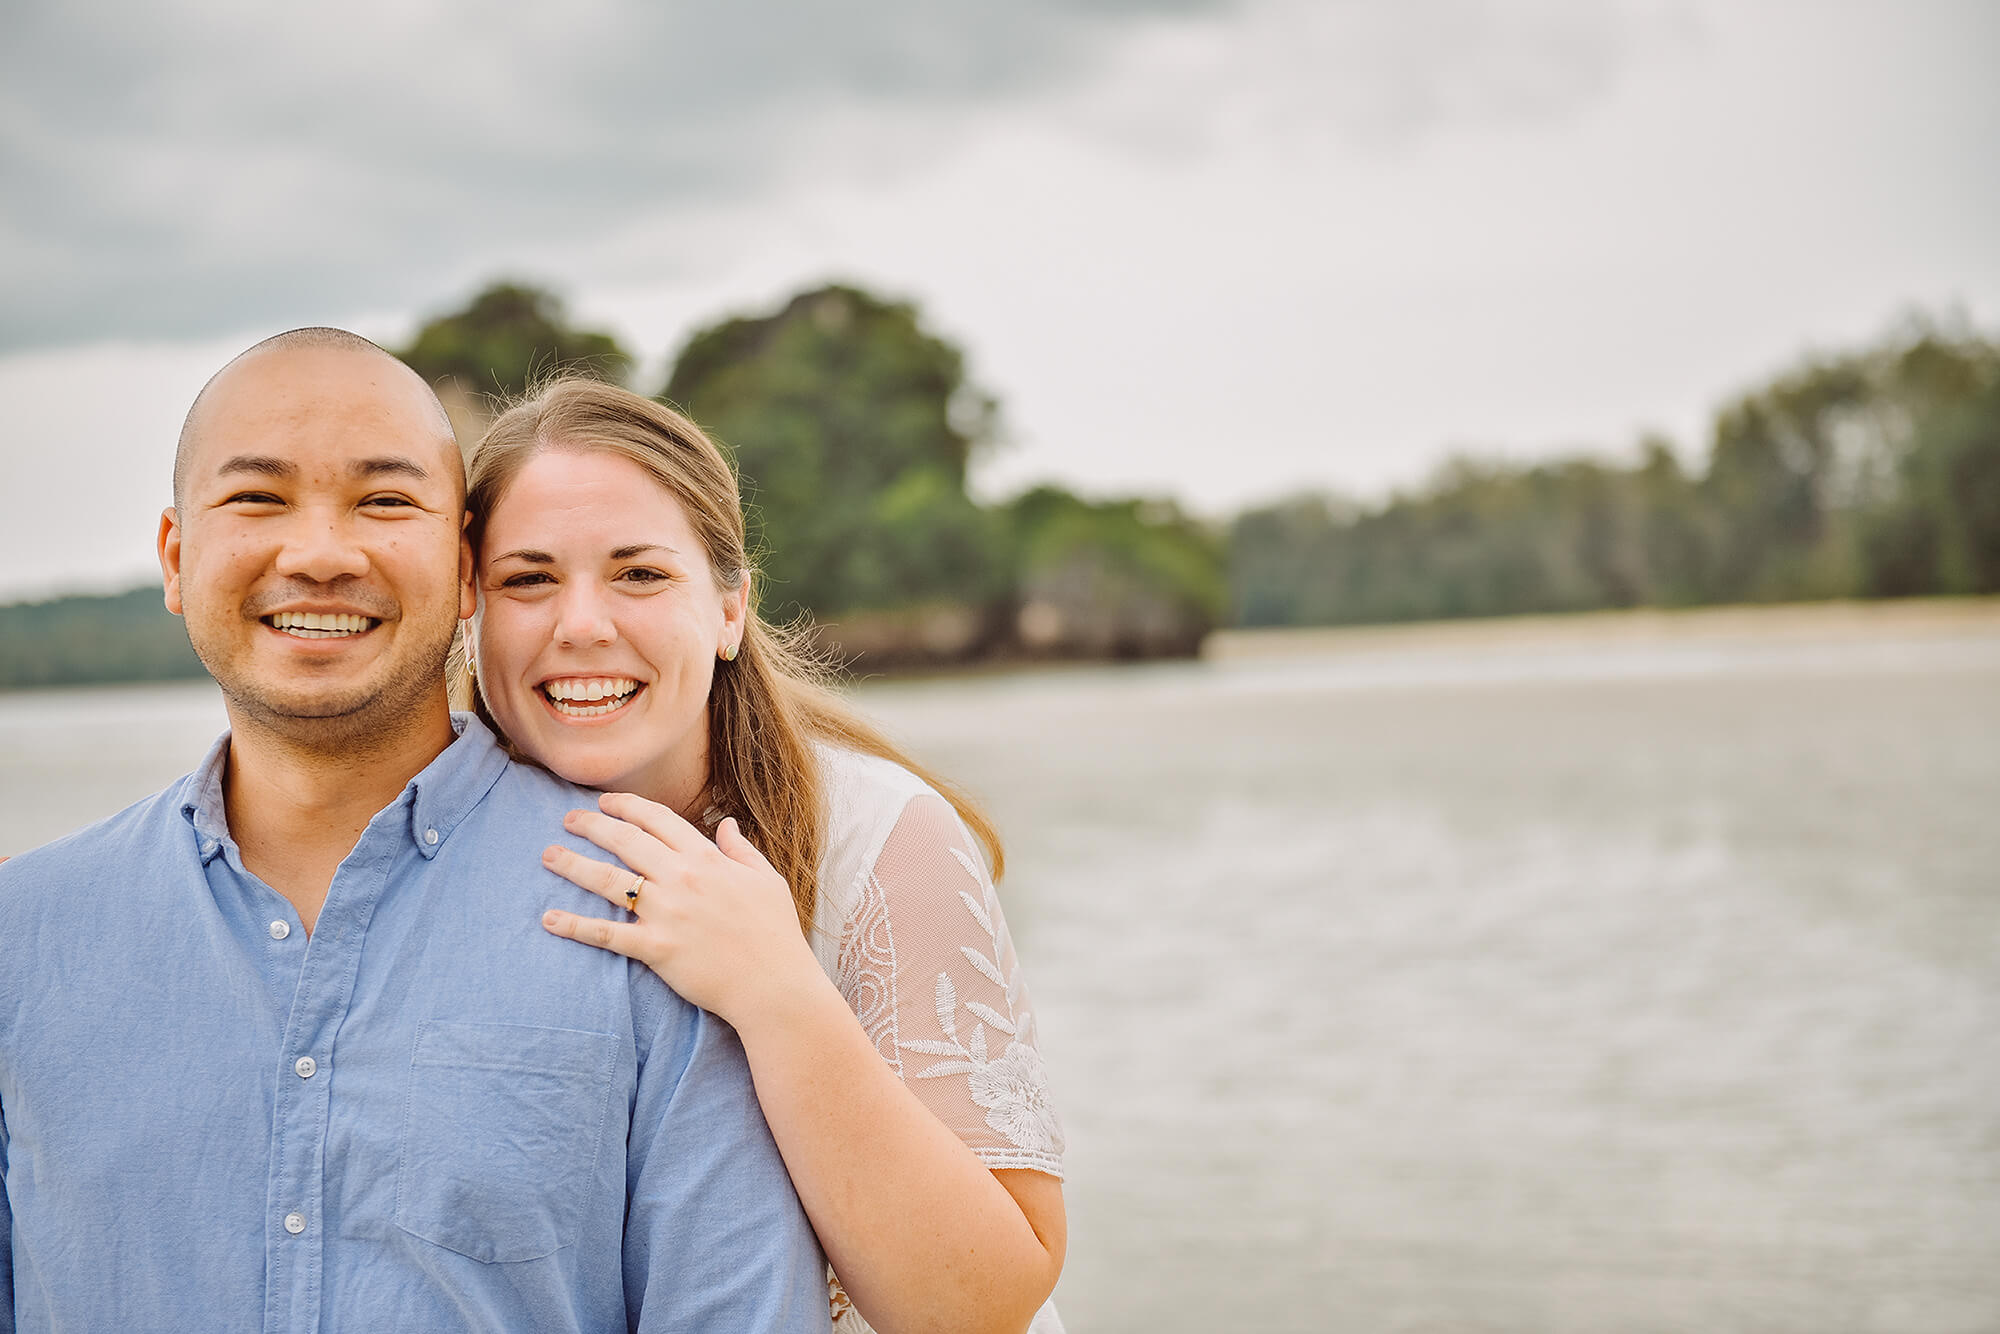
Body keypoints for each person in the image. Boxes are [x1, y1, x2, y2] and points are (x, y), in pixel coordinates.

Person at [0, 331, 829, 1332]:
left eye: (384, 500)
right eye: (257, 498)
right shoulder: (26, 934)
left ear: (464, 567)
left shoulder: (655, 912)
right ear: (178, 558)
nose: (316, 554)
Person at [458, 378, 1068, 1334]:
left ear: (730, 608)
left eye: (640, 574)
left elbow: (985, 1306)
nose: (581, 624)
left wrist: (777, 992)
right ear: (471, 613)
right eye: (527, 579)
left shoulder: (879, 839)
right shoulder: (431, 855)